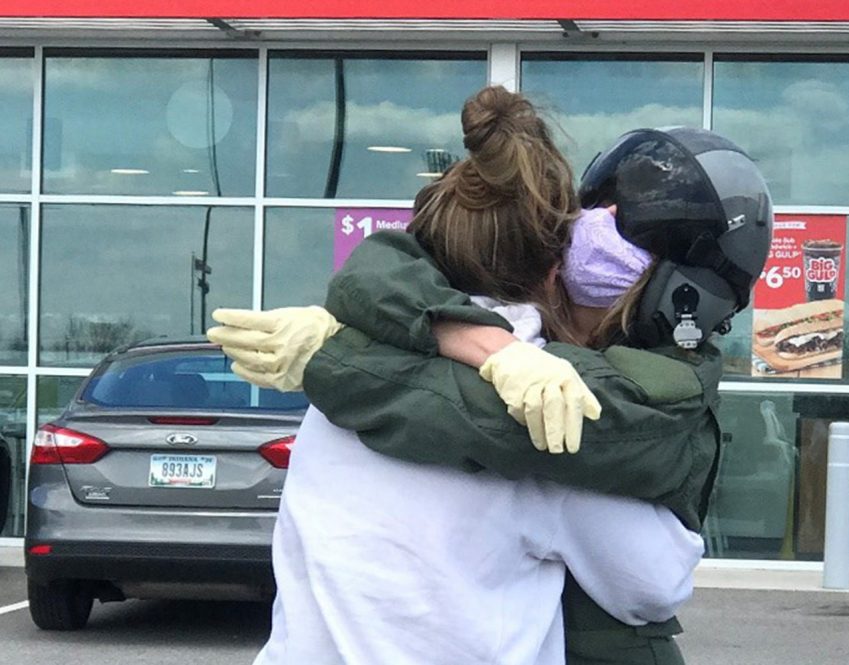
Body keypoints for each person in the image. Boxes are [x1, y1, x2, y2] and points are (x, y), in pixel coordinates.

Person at [211, 120, 773, 664]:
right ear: (553, 267)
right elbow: (651, 585)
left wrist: (338, 349)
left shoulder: (341, 372)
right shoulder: (549, 416)